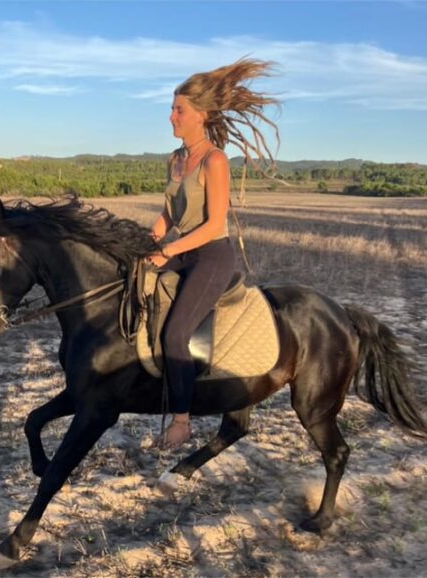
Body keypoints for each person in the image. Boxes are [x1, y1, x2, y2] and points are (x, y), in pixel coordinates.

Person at [146, 58, 280, 450]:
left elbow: (212, 223)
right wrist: (145, 244)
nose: (171, 116)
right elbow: (168, 213)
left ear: (200, 115)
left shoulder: (214, 160)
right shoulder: (176, 159)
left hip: (210, 255)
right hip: (181, 250)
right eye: (172, 108)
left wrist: (167, 249)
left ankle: (183, 422)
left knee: (175, 334)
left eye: (178, 110)